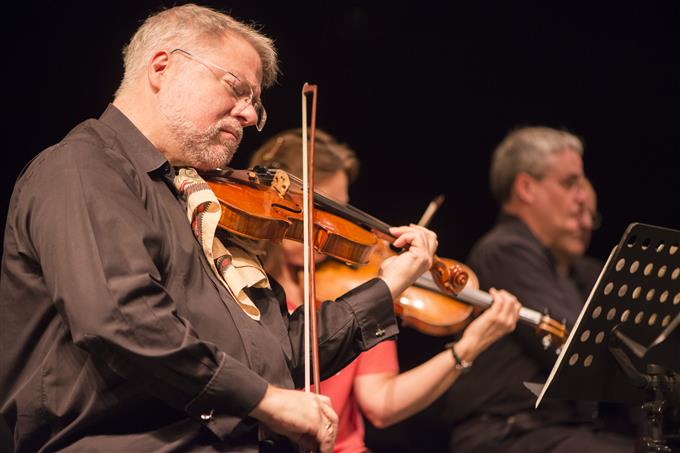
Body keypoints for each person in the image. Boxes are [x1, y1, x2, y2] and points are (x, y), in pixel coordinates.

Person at [0, 5, 440, 452]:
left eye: (255, 104)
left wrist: (387, 286)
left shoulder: (199, 201)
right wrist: (265, 400)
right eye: (236, 88)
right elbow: (120, 317)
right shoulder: (81, 167)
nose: (249, 115)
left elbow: (279, 354)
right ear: (161, 67)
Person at [248, 128, 522, 453]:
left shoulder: (356, 292)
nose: (333, 224)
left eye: (340, 209)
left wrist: (468, 347)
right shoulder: (242, 286)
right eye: (321, 207)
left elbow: (381, 403)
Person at [443, 126, 634, 452]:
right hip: (506, 434)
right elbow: (579, 343)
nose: (581, 199)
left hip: (559, 432)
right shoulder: (504, 249)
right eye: (569, 183)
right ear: (526, 188)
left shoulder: (576, 269)